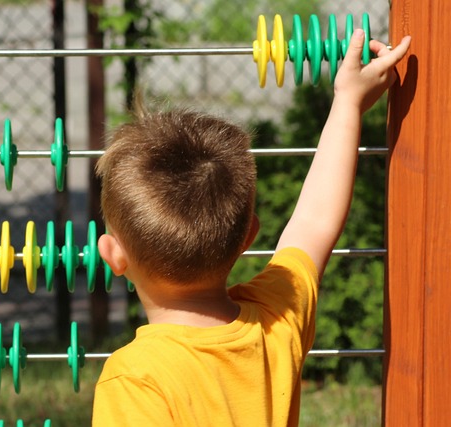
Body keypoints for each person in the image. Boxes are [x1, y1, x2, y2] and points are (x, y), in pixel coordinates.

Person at [92, 29, 411, 426]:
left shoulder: (135, 380)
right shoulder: (277, 318)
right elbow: (315, 221)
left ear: (112, 254)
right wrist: (348, 102)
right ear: (248, 237)